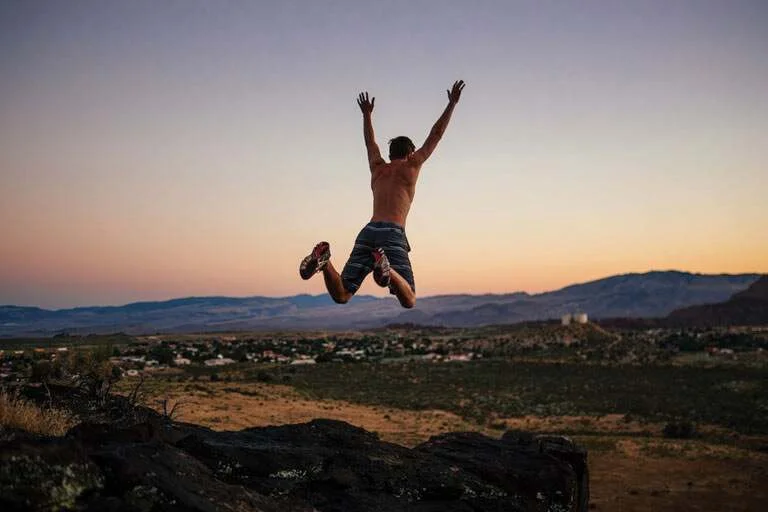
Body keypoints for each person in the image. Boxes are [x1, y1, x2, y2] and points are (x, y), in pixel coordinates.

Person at [299, 80, 466, 308]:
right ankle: (387, 268)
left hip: (368, 231)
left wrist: (366, 115)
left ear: (390, 153)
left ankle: (324, 262)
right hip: (392, 233)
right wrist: (452, 104)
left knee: (342, 294)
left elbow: (370, 143)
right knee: (409, 299)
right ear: (410, 152)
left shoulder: (377, 168)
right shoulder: (412, 165)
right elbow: (435, 134)